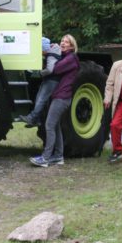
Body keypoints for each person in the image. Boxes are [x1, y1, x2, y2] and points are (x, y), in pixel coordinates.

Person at [30, 34, 80, 167]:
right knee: (56, 126)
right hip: (59, 96)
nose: (63, 43)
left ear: (72, 46)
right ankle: (58, 157)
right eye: (62, 41)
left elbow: (55, 69)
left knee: (49, 125)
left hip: (62, 97)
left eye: (66, 42)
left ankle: (45, 158)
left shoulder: (71, 58)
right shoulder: (65, 56)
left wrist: (51, 53)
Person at [19, 37, 61, 127]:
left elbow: (49, 70)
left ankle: (32, 118)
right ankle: (36, 120)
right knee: (39, 98)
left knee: (41, 99)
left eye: (41, 51)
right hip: (49, 79)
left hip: (52, 80)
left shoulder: (51, 55)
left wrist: (40, 73)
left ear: (44, 49)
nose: (41, 53)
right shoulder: (52, 51)